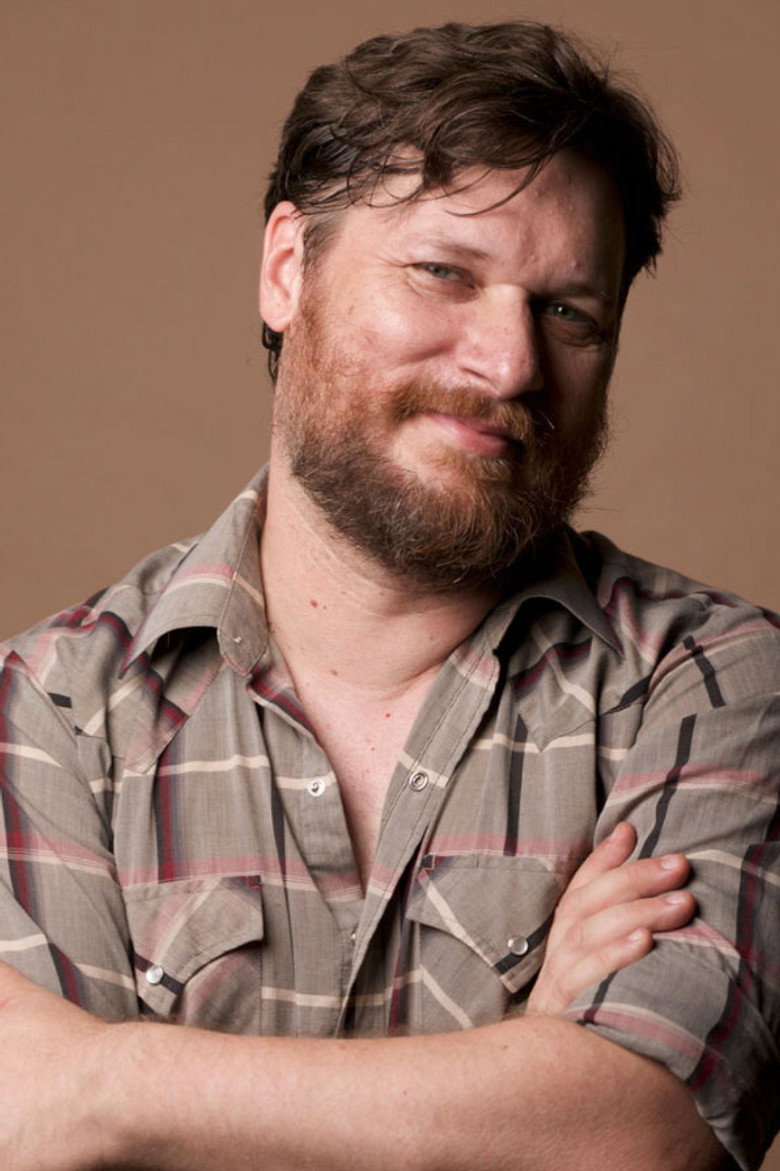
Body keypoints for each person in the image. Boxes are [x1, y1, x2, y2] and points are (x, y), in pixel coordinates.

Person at [0, 19, 776, 1171]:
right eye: (443, 273)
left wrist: (106, 1083)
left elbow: (640, 1137)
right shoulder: (47, 712)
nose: (511, 364)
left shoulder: (710, 683)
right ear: (287, 269)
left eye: (568, 311)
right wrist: (534, 1069)